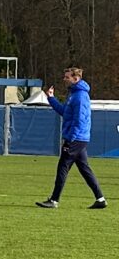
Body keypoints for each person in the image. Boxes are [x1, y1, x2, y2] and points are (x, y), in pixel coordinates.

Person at [36, 68, 107, 209]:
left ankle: (54, 200)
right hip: (79, 138)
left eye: (67, 77)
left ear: (76, 79)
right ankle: (100, 199)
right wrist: (51, 98)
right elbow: (64, 112)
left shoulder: (80, 96)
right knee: (84, 169)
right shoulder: (74, 95)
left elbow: (79, 121)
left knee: (63, 167)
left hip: (76, 138)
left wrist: (70, 139)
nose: (64, 79)